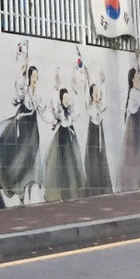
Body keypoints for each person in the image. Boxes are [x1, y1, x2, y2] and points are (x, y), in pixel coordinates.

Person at [0, 42, 43, 199]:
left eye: (36, 76)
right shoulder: (25, 90)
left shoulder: (37, 95)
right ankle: (17, 186)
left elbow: (43, 111)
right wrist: (23, 69)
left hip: (32, 128)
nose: (35, 79)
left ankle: (29, 186)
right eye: (33, 76)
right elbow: (19, 88)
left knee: (31, 156)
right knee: (19, 156)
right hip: (23, 126)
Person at [42, 66, 87, 202]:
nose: (67, 101)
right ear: (61, 100)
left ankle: (74, 191)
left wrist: (75, 90)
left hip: (71, 138)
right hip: (62, 139)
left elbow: (77, 112)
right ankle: (63, 192)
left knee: (73, 164)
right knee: (62, 165)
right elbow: (54, 105)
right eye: (65, 99)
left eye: (68, 98)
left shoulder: (70, 111)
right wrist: (56, 86)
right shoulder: (60, 111)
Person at [119, 52, 140, 191]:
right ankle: (133, 182)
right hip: (134, 127)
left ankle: (139, 182)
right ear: (132, 80)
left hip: (137, 123)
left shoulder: (135, 91)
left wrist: (136, 60)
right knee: (135, 154)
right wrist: (136, 63)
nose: (139, 79)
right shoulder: (133, 93)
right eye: (137, 78)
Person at [80, 57, 112, 196]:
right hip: (93, 134)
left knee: (101, 158)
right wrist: (87, 82)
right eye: (95, 92)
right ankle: (93, 188)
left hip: (100, 133)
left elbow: (104, 102)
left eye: (98, 92)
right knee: (93, 160)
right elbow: (86, 99)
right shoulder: (91, 108)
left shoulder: (100, 106)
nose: (98, 94)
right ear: (92, 95)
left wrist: (103, 82)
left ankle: (103, 187)